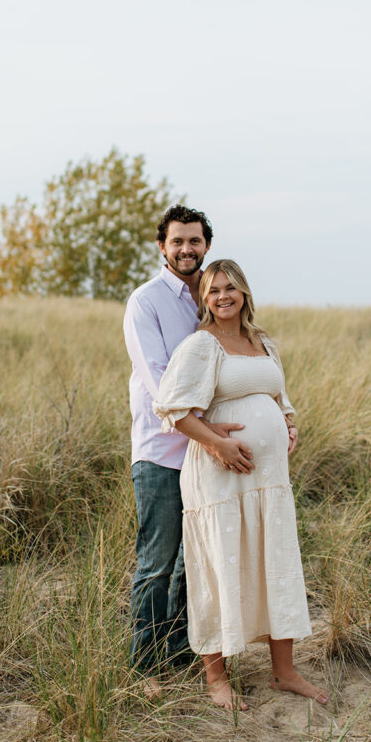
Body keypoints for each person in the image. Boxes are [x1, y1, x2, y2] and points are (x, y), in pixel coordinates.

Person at [153, 259, 327, 711]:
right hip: (219, 477)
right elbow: (172, 409)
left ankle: (284, 672)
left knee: (275, 559)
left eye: (230, 288)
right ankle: (216, 679)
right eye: (213, 290)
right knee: (217, 564)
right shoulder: (200, 346)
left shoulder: (261, 341)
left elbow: (277, 396)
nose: (223, 297)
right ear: (204, 299)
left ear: (244, 292)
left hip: (269, 481)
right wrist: (217, 446)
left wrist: (288, 424)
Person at [123, 208, 249, 690]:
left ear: (206, 246)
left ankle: (177, 650)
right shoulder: (146, 302)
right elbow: (161, 389)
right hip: (161, 452)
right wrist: (215, 437)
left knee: (190, 563)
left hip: (205, 455)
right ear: (162, 247)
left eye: (194, 242)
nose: (186, 250)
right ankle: (143, 664)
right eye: (177, 242)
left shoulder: (213, 297)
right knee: (157, 560)